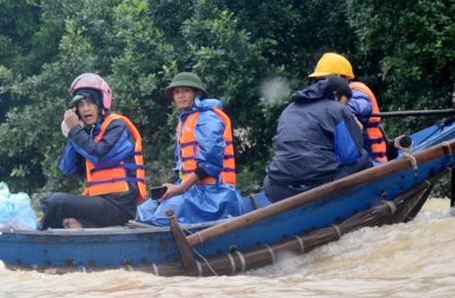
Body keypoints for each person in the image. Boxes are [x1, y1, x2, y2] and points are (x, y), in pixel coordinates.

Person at [39, 74, 147, 230]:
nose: (85, 109)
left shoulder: (118, 126)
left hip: (119, 205)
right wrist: (75, 131)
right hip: (99, 202)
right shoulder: (89, 134)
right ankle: (83, 225)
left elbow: (100, 156)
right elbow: (68, 168)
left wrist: (76, 131)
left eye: (90, 102)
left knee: (58, 202)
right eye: (80, 104)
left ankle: (40, 240)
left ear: (101, 103)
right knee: (47, 202)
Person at [136, 72, 242, 226]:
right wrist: (171, 185)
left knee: (161, 219)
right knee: (144, 211)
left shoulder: (208, 117)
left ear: (197, 93)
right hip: (192, 190)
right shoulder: (184, 121)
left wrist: (179, 189)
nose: (180, 96)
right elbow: (182, 166)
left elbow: (210, 163)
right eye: (177, 92)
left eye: (186, 90)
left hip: (214, 194)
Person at [262, 74, 371, 203]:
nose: (345, 107)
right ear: (335, 95)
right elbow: (350, 156)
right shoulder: (337, 109)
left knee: (268, 179)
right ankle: (362, 202)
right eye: (345, 103)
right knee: (363, 157)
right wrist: (356, 131)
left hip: (278, 189)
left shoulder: (288, 110)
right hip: (319, 185)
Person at [309, 52, 388, 164]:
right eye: (319, 80)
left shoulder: (357, 90)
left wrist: (332, 103)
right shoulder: (330, 96)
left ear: (338, 77)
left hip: (374, 160)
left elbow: (362, 107)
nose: (321, 84)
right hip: (350, 158)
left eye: (324, 79)